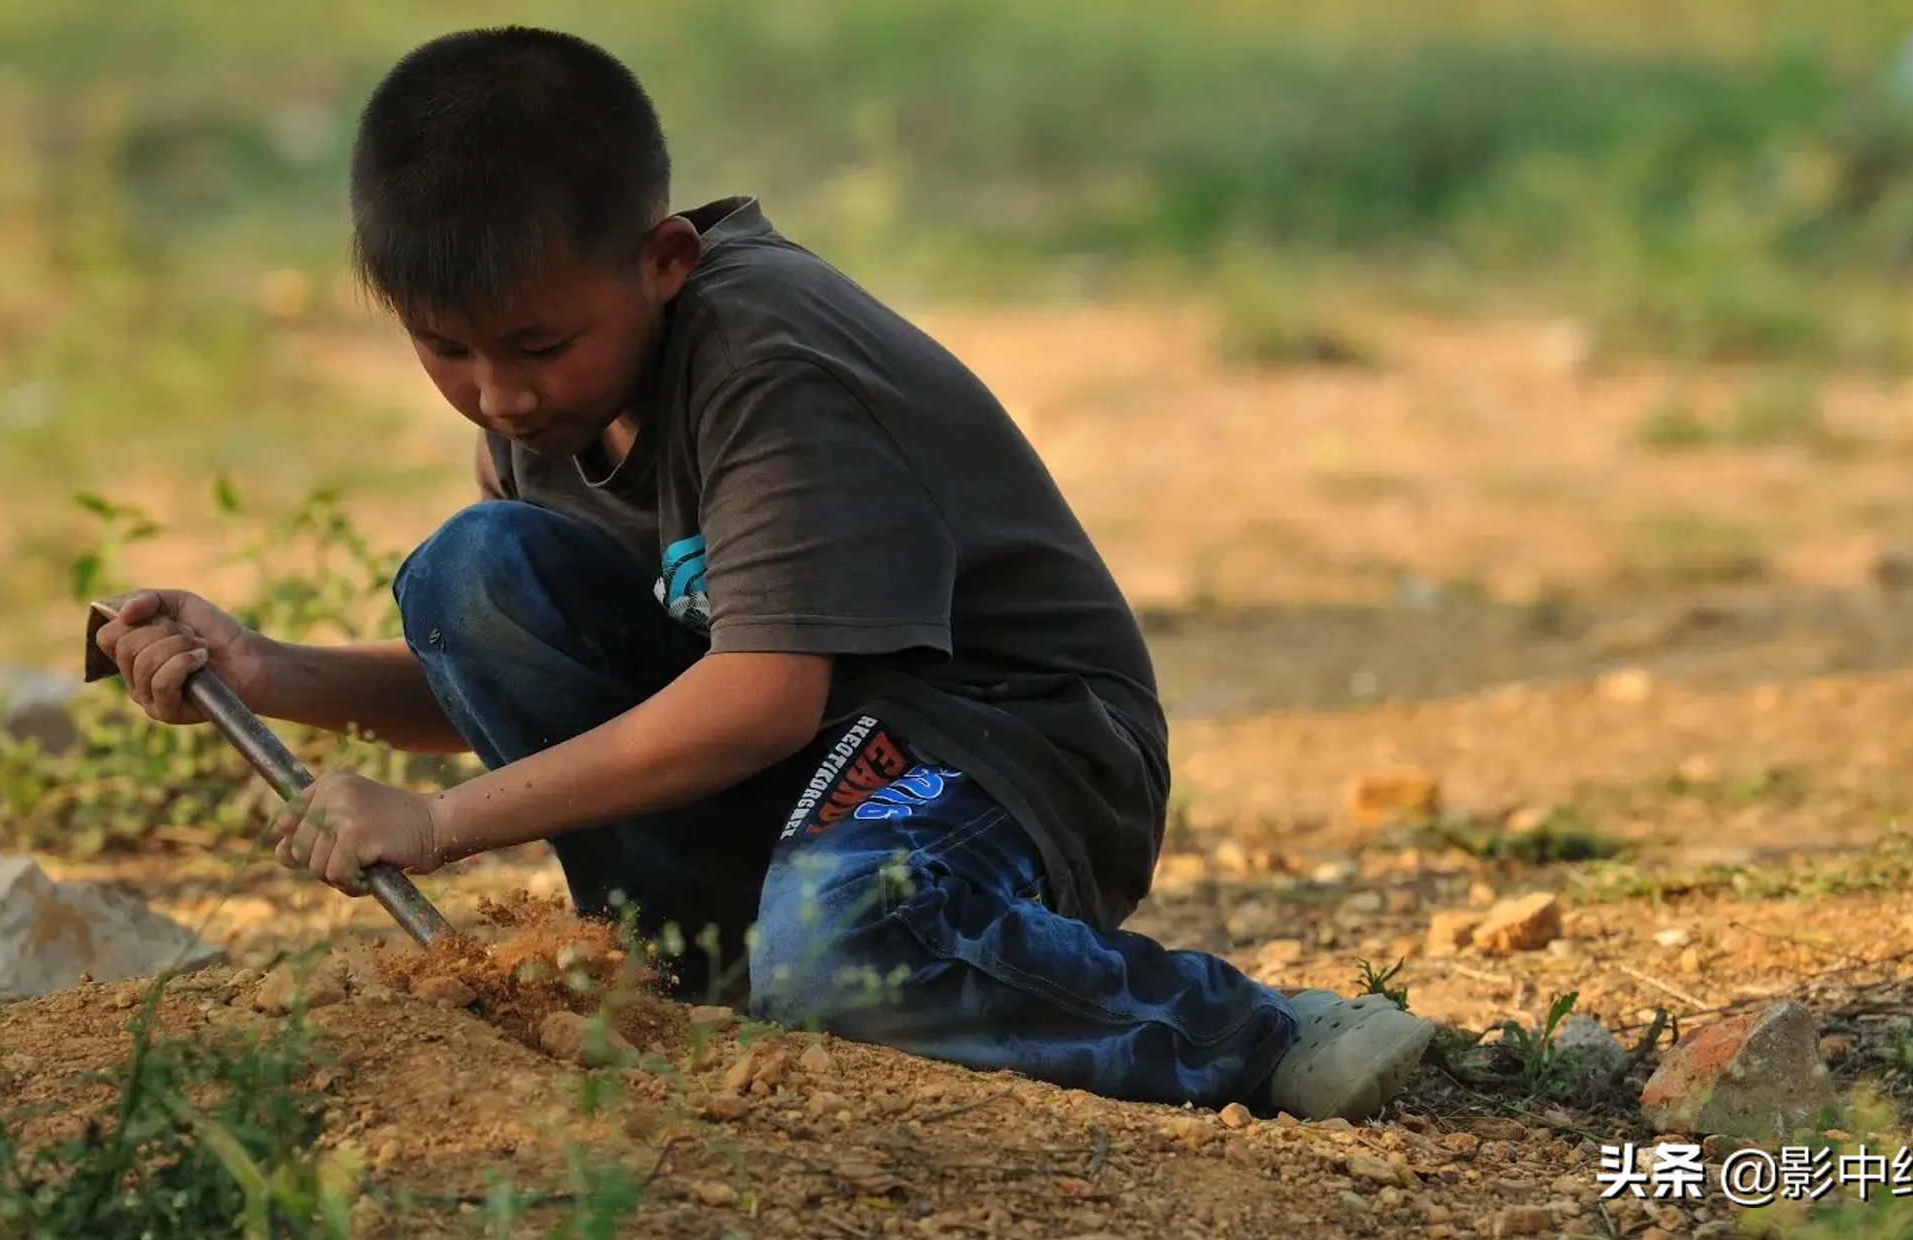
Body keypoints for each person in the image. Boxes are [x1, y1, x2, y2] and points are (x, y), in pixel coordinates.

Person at [91, 25, 1435, 1120]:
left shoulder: (766, 359)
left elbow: (759, 701)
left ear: (663, 260)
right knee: (476, 574)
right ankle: (717, 969)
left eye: (533, 344)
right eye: (445, 351)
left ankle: (1245, 1033)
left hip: (1003, 747)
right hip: (801, 759)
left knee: (846, 948)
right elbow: (508, 677)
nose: (496, 394)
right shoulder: (546, 411)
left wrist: (438, 825)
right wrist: (269, 671)